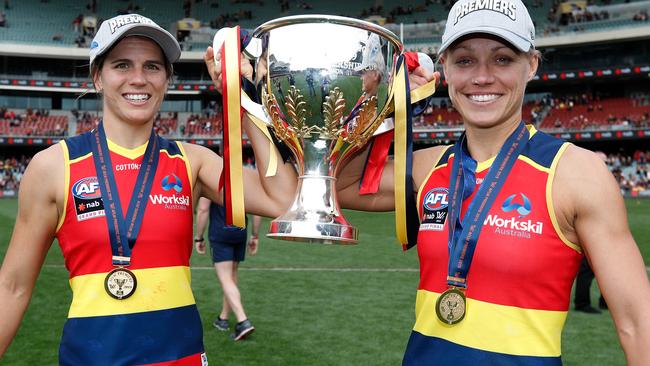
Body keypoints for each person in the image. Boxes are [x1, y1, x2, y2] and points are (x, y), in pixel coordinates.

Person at [335, 0, 650, 364]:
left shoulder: (575, 174)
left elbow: (638, 322)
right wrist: (382, 104)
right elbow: (341, 186)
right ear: (445, 70)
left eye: (502, 59)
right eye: (465, 60)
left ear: (531, 64)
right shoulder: (428, 167)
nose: (482, 77)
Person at [0, 13, 294, 364]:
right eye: (122, 65)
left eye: (153, 67)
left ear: (167, 79)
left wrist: (243, 100)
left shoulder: (192, 162)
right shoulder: (53, 166)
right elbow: (12, 287)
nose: (138, 79)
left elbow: (282, 199)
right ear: (98, 77)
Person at [194, 197, 262, 341]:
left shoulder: (210, 175)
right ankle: (223, 318)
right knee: (231, 276)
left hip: (221, 232)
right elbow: (257, 210)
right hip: (239, 232)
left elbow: (203, 209)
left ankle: (243, 321)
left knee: (225, 278)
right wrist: (255, 235)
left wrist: (198, 237)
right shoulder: (244, 175)